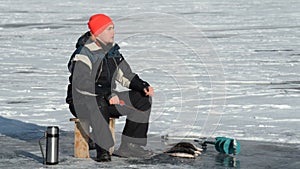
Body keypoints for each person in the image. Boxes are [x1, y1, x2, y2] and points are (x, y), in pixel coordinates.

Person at [66, 14, 154, 162]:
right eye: (108, 29)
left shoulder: (112, 52)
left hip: (107, 98)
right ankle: (103, 150)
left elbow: (126, 75)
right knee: (98, 102)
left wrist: (143, 86)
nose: (113, 32)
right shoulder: (83, 53)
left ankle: (130, 146)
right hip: (81, 102)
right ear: (97, 33)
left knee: (142, 99)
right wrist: (107, 95)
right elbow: (81, 83)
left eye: (113, 28)